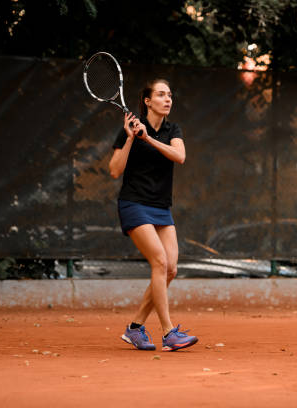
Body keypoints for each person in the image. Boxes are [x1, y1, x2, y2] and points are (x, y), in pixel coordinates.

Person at [109, 78, 198, 352]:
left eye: (169, 94)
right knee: (159, 262)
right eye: (161, 95)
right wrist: (130, 140)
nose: (167, 99)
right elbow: (114, 170)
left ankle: (135, 329)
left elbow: (179, 156)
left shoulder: (173, 129)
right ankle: (169, 332)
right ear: (148, 101)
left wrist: (148, 138)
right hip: (134, 203)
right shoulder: (128, 130)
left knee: (170, 269)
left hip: (161, 206)